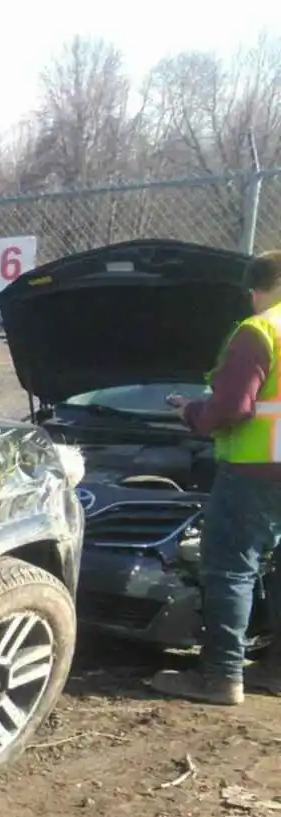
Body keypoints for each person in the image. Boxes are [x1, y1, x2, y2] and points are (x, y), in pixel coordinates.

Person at [149, 250, 281, 706]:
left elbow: (232, 409)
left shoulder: (259, 329)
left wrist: (191, 411)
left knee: (229, 567)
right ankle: (277, 670)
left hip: (256, 471)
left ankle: (221, 676)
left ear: (254, 290)